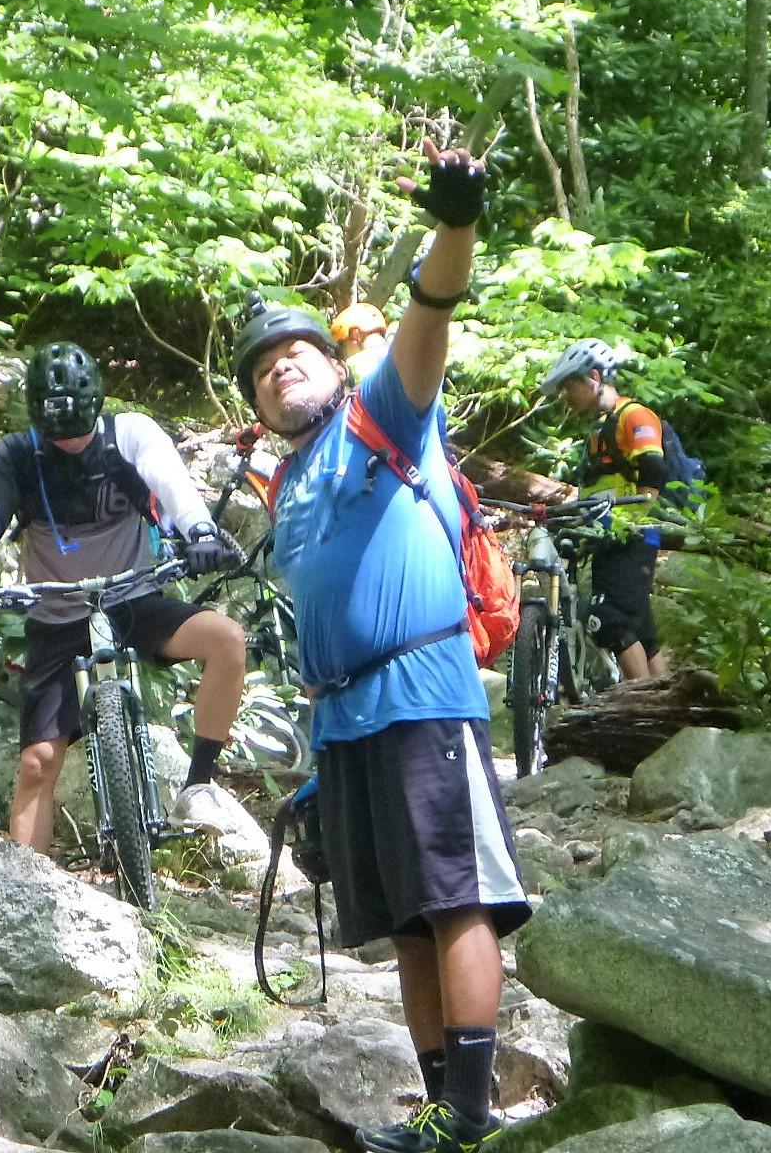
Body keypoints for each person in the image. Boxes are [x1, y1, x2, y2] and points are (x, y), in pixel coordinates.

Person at [235, 142, 527, 1153]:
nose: (280, 371)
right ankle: (440, 1106)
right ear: (258, 409)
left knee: (454, 897)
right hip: (344, 716)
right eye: (263, 372)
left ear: (333, 361)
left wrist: (452, 225)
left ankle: (474, 1114)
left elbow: (429, 317)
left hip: (421, 691)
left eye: (295, 354)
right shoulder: (286, 483)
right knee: (403, 918)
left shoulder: (383, 413)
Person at [0, 342, 249, 851]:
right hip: (58, 617)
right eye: (55, 430)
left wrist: (199, 531)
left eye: (78, 429)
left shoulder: (127, 434)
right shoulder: (18, 455)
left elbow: (169, 480)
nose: (69, 443)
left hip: (135, 602)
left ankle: (198, 782)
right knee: (36, 762)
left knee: (226, 640)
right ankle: (26, 888)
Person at [540, 338, 671, 680]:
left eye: (570, 385)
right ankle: (666, 710)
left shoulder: (634, 415)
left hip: (633, 536)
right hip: (608, 536)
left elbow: (653, 471)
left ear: (594, 377)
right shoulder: (600, 428)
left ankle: (638, 712)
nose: (565, 395)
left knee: (609, 619)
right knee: (641, 629)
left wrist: (632, 523)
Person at [331, 300, 391, 378]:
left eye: (342, 345)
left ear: (355, 334)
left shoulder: (355, 365)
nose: (343, 354)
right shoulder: (399, 349)